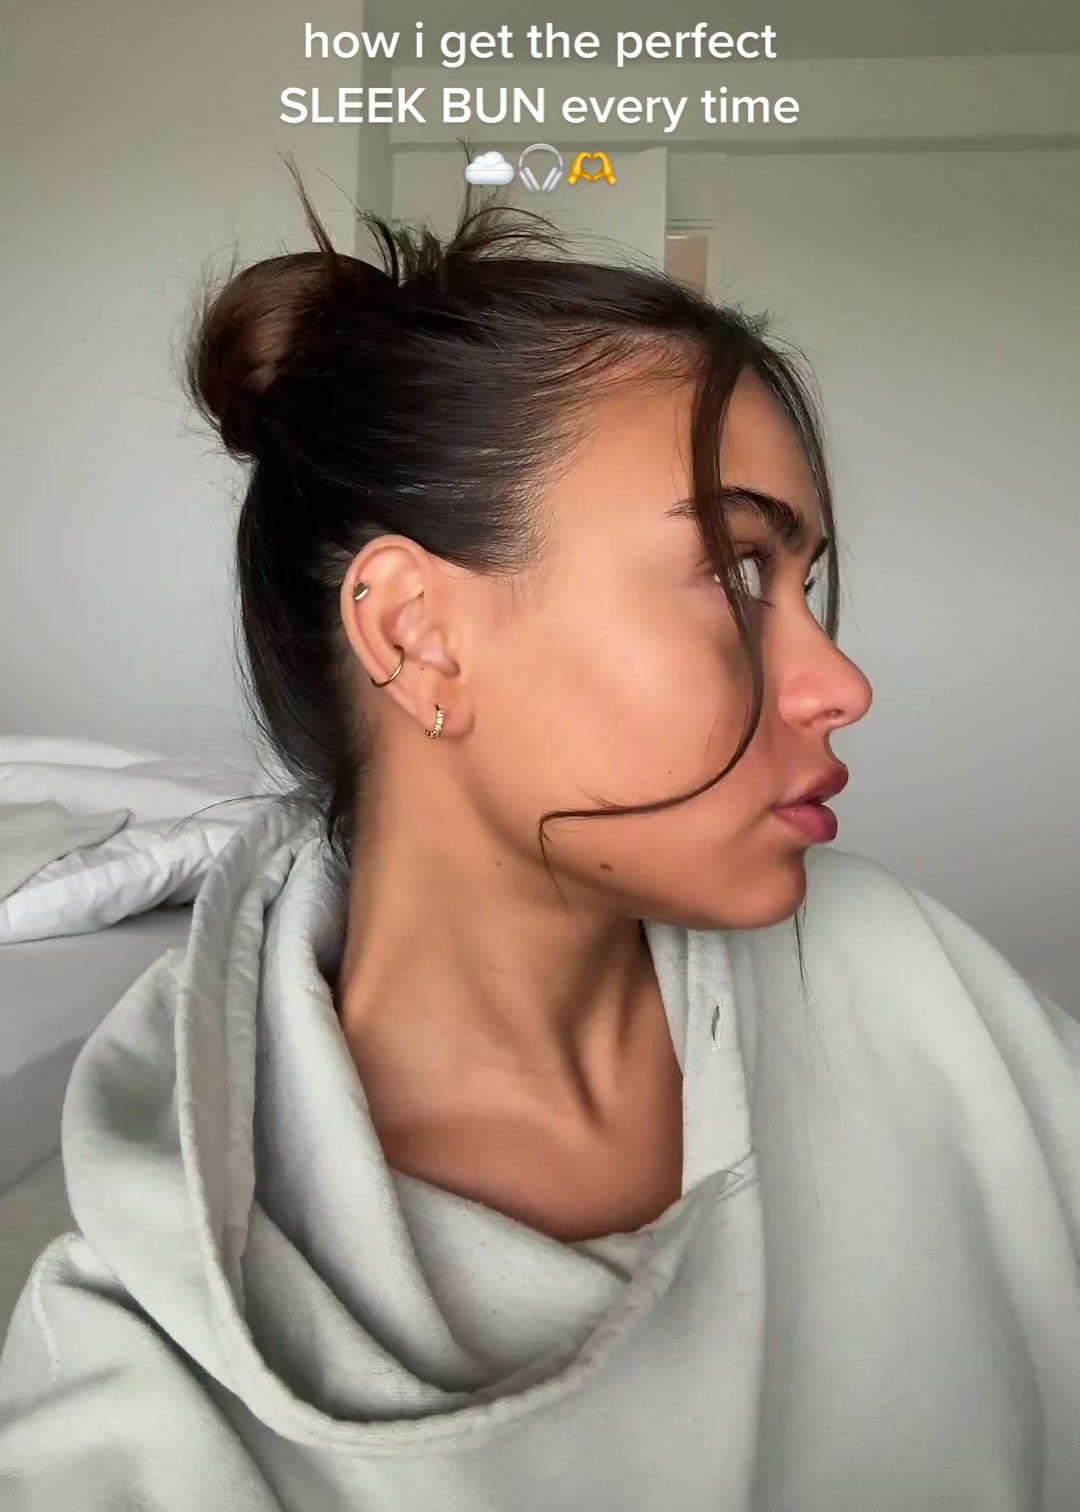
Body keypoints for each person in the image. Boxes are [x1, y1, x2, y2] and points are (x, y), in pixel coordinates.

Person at [2, 165, 1080, 1511]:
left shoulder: (911, 981)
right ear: (417, 636)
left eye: (804, 583)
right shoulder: (135, 1380)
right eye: (736, 571)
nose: (841, 684)